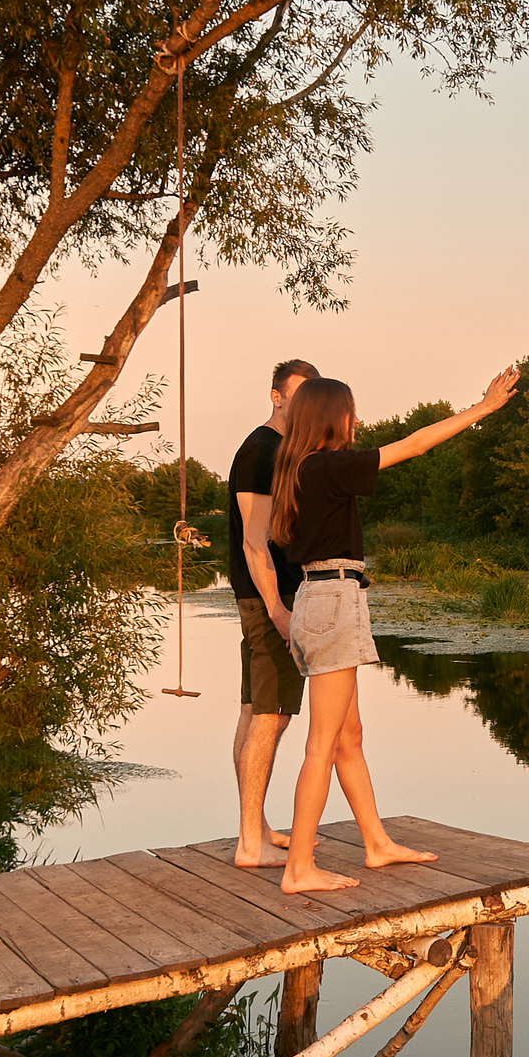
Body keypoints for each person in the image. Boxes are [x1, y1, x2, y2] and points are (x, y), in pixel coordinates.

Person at [256, 367, 521, 892]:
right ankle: (299, 868)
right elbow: (417, 443)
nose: (356, 421)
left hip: (318, 598)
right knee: (323, 743)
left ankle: (375, 843)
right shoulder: (328, 467)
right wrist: (483, 409)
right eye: (350, 412)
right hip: (333, 599)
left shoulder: (295, 470)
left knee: (348, 735)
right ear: (333, 418)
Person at [231, 359, 318, 869]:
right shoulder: (261, 452)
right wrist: (279, 610)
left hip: (268, 597)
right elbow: (253, 541)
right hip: (270, 599)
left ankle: (255, 827)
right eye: (297, 395)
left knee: (254, 710)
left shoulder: (279, 451)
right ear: (275, 396)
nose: (303, 404)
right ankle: (249, 844)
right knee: (273, 714)